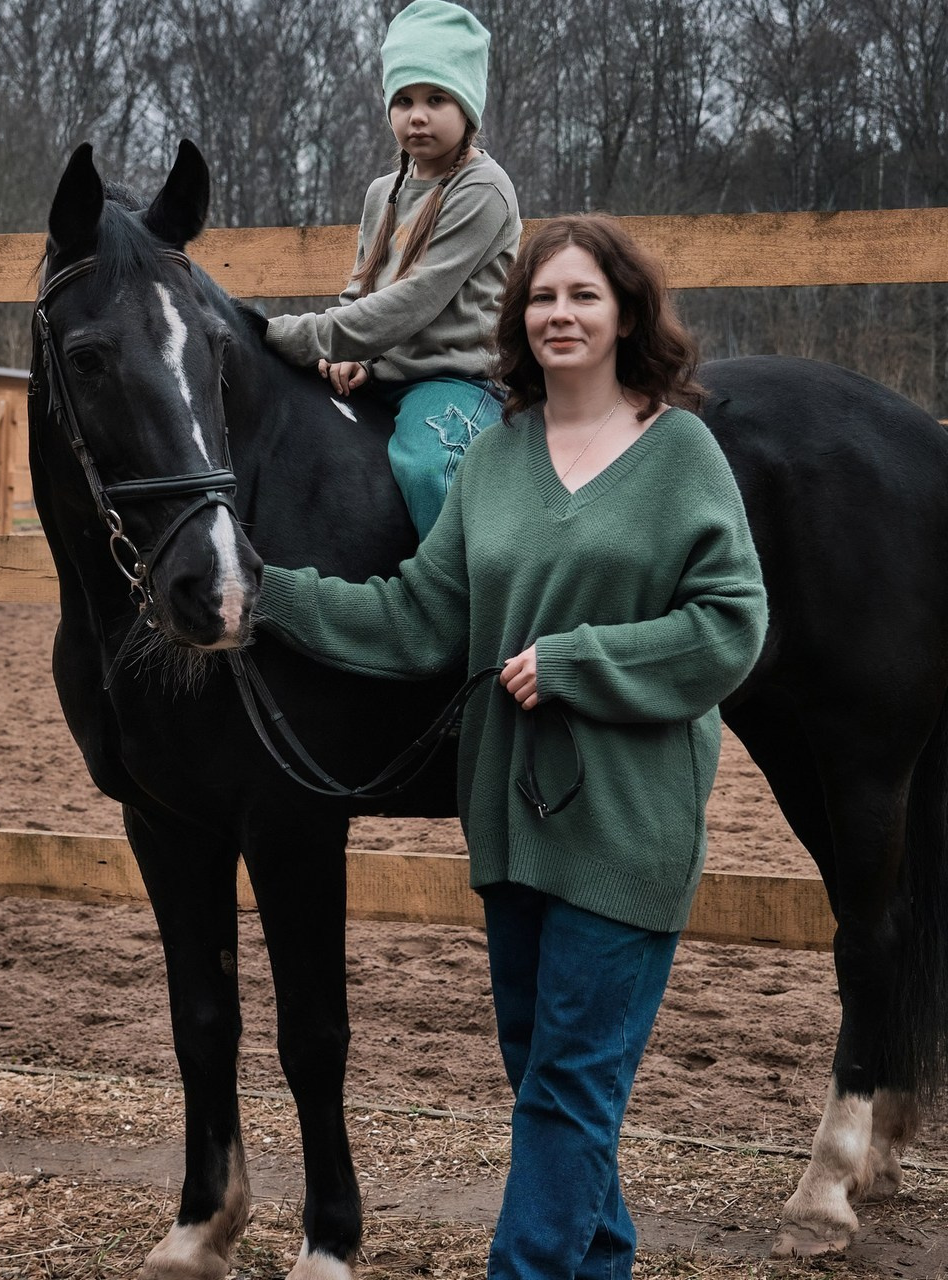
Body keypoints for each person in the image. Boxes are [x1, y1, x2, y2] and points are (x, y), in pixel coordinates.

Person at [255, 214, 768, 1279]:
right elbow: (419, 616)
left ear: (625, 310)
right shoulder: (491, 459)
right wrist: (273, 596)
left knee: (568, 1089)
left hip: (624, 829)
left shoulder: (678, 451)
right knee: (549, 1083)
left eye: (581, 294)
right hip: (511, 829)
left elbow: (729, 625)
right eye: (540, 297)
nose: (558, 314)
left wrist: (579, 661)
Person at [263, 0, 520, 539]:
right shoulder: (384, 192)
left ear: (467, 107)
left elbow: (416, 300)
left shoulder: (484, 189)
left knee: (431, 467)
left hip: (456, 379)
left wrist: (304, 338)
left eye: (436, 98)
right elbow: (363, 287)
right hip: (386, 373)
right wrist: (352, 359)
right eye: (403, 100)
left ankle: (465, 602)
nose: (417, 115)